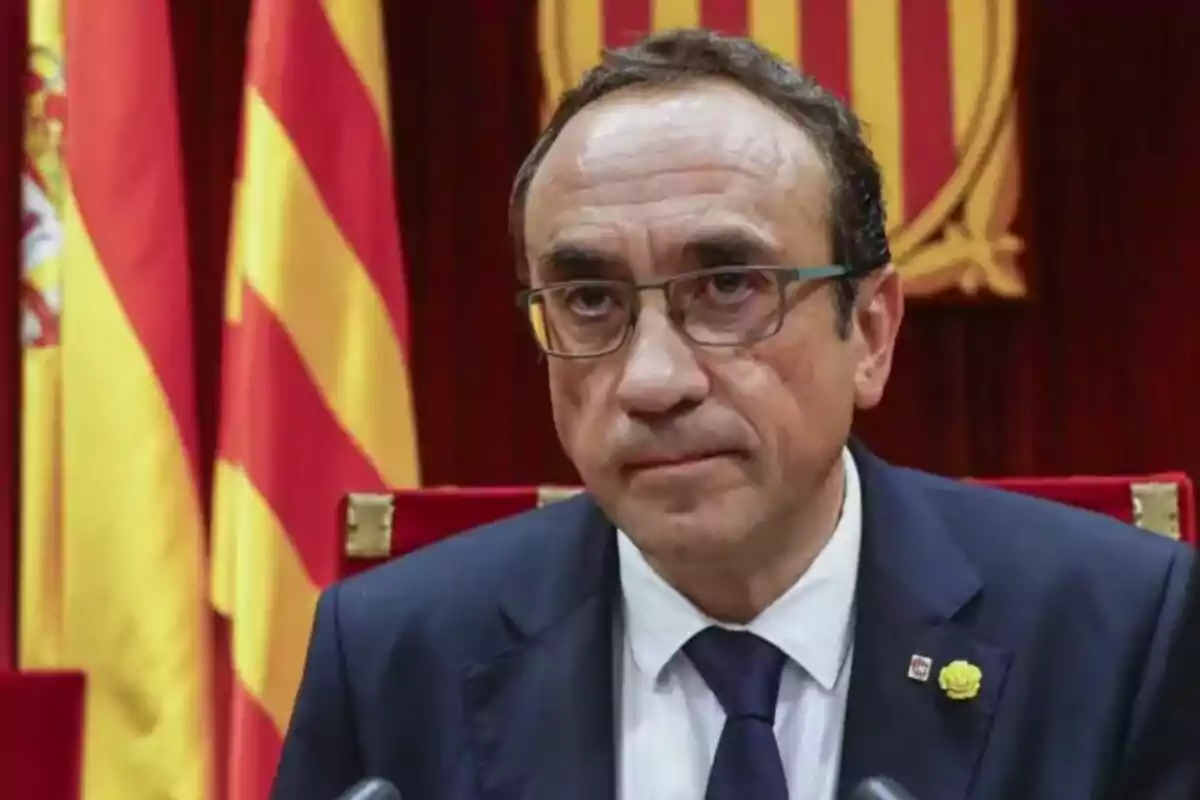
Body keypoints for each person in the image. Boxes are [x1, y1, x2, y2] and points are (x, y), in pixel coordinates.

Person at [272, 29, 1197, 800]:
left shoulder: (1119, 636)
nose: (653, 379)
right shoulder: (393, 656)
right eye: (590, 299)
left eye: (727, 286)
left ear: (869, 333)